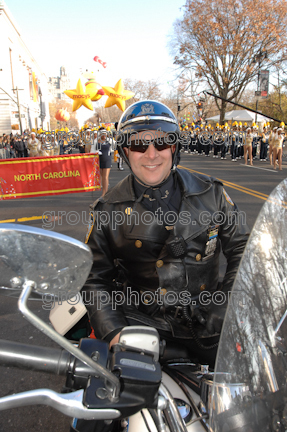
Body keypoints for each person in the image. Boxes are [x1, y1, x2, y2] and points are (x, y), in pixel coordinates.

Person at [82, 101, 249, 366]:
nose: (151, 154)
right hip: (145, 326)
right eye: (139, 145)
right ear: (125, 151)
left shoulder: (212, 193)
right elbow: (94, 281)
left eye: (161, 143)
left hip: (212, 322)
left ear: (174, 147)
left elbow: (243, 248)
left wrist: (228, 301)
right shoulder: (106, 210)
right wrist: (115, 332)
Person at [95, 127, 113, 196]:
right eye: (102, 133)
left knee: (105, 177)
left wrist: (111, 152)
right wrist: (96, 152)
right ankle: (105, 191)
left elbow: (115, 147)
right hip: (99, 160)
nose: (104, 135)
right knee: (102, 177)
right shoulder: (96, 141)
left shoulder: (109, 140)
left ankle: (104, 193)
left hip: (107, 160)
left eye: (105, 133)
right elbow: (92, 151)